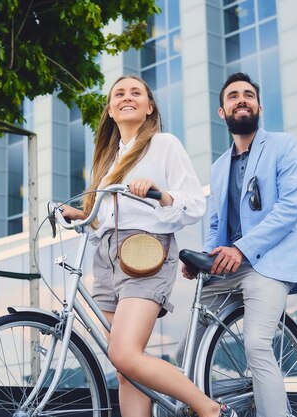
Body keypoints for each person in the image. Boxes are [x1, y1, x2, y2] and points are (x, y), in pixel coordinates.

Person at [59, 75, 236, 417]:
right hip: (107, 257)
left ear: (149, 106)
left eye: (136, 92)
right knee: (126, 370)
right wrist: (83, 214)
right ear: (110, 110)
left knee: (125, 353)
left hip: (146, 252)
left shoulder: (164, 144)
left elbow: (194, 203)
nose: (127, 97)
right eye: (119, 94)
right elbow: (107, 219)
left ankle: (210, 409)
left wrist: (160, 192)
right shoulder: (108, 161)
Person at [179, 72, 297, 417]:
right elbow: (215, 223)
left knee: (257, 344)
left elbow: (289, 209)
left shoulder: (283, 145)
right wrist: (205, 257)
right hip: (226, 268)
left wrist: (241, 248)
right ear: (222, 111)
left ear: (258, 106)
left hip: (269, 264)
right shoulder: (217, 167)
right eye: (233, 96)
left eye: (248, 95)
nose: (241, 100)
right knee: (188, 350)